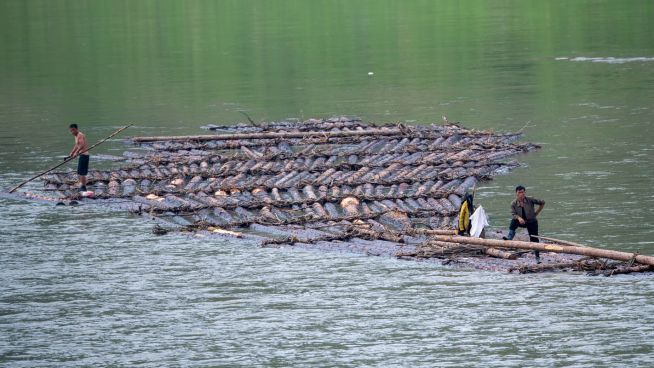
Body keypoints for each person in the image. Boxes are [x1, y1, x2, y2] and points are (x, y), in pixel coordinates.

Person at [503, 185, 545, 263]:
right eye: (519, 192)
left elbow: (542, 202)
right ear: (516, 193)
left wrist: (537, 212)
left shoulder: (530, 199)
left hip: (531, 222)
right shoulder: (513, 203)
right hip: (521, 221)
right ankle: (509, 237)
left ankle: (537, 257)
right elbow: (513, 214)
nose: (521, 194)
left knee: (534, 238)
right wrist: (519, 218)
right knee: (513, 221)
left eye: (523, 192)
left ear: (525, 193)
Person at [67, 123, 89, 192]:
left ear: (76, 129)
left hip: (84, 155)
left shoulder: (80, 135)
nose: (72, 132)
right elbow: (77, 145)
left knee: (82, 173)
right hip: (81, 155)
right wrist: (72, 152)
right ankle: (82, 185)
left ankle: (83, 187)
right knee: (79, 172)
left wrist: (77, 152)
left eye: (73, 130)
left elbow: (82, 145)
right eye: (71, 131)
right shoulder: (76, 136)